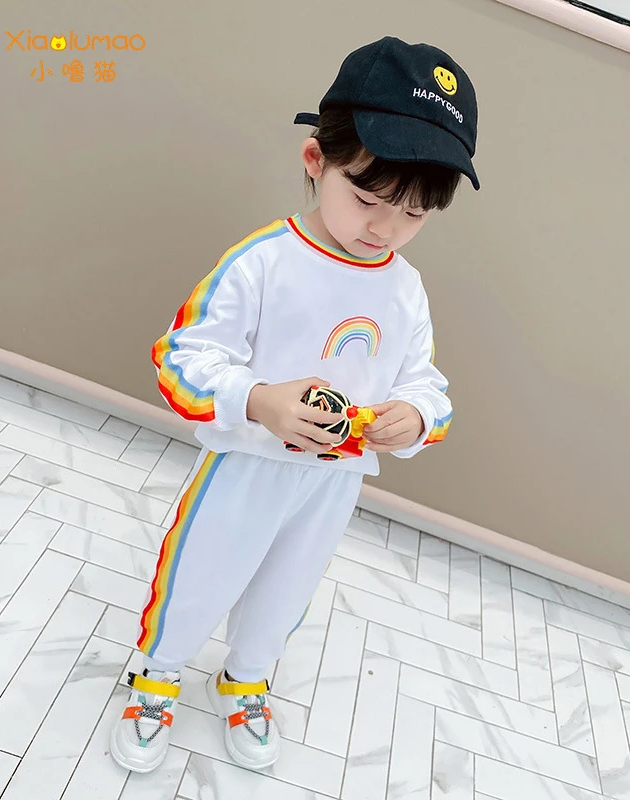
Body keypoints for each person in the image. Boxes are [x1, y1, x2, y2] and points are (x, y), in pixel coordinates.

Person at [109, 34, 479, 774]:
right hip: (244, 466)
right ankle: (157, 674)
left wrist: (414, 417)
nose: (385, 228)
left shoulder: (404, 289)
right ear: (316, 160)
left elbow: (423, 382)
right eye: (367, 199)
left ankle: (245, 678)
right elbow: (180, 358)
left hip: (332, 483)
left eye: (413, 214)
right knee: (202, 573)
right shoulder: (264, 262)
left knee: (287, 588)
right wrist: (257, 400)